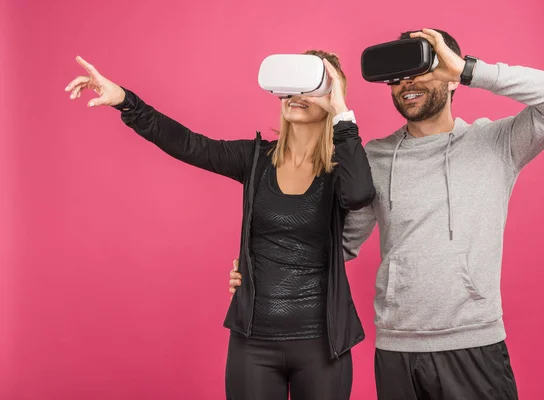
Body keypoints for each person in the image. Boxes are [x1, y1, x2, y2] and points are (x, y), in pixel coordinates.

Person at [228, 28, 544, 399]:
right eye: (396, 78)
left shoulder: (497, 144)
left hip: (474, 345)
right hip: (396, 351)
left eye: (421, 70)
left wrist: (467, 69)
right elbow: (339, 245)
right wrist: (260, 271)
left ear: (451, 79)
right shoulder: (377, 158)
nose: (406, 84)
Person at [65, 50, 376, 400]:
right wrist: (125, 101)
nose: (295, 96)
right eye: (289, 87)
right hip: (253, 343)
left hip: (323, 344)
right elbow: (188, 144)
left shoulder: (341, 169)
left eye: (308, 86)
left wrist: (341, 113)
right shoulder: (255, 158)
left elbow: (359, 195)